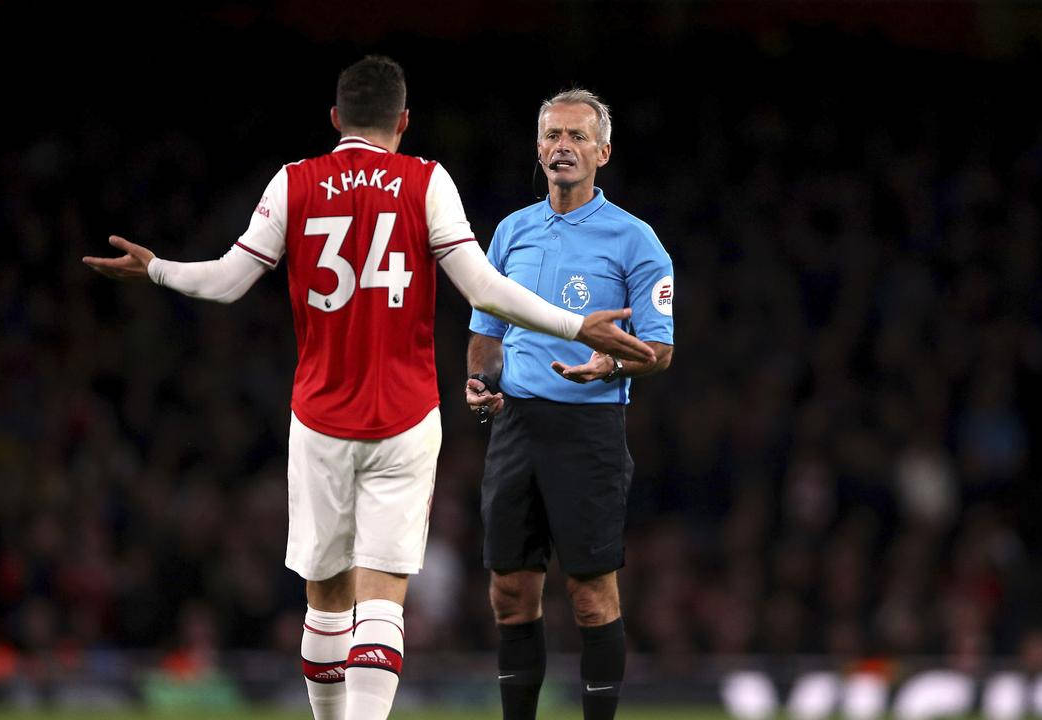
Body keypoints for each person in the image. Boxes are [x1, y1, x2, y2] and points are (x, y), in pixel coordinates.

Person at [83, 57, 654, 720]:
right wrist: (577, 323)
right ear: (404, 122)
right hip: (406, 416)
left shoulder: (296, 182)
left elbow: (227, 281)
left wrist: (157, 270)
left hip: (321, 415)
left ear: (335, 119)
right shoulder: (425, 181)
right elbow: (485, 288)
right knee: (381, 596)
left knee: (325, 598)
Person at [464, 89, 674, 720]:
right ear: (538, 149)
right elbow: (485, 328)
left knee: (590, 596)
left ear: (602, 152)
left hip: (590, 429)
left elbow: (660, 350)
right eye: (553, 135)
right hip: (517, 427)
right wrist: (478, 378)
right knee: (510, 592)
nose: (563, 146)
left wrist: (610, 363)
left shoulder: (636, 241)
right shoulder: (510, 231)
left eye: (578, 137)